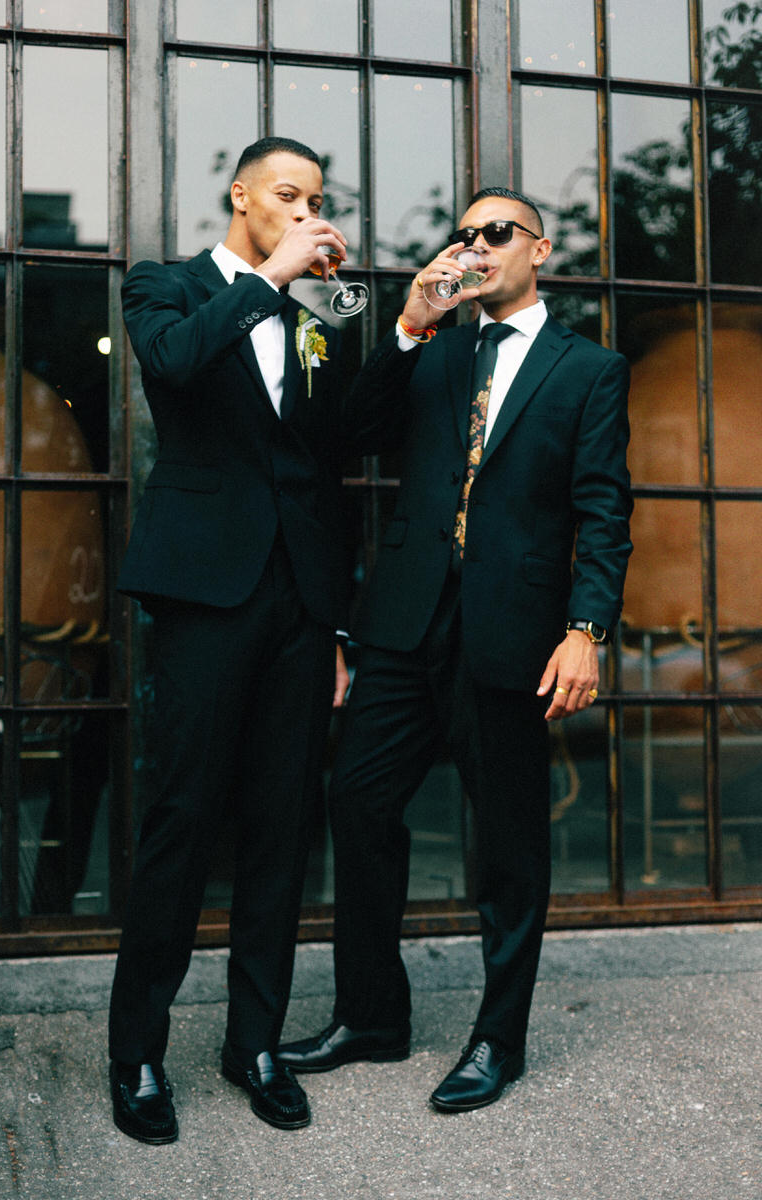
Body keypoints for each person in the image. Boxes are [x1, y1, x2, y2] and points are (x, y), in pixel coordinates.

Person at [277, 187, 633, 1113]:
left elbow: (603, 513)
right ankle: (372, 1016)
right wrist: (404, 325)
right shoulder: (436, 350)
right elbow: (352, 437)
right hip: (403, 620)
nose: (474, 246)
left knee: (509, 844)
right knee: (357, 805)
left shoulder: (588, 369)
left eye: (495, 233)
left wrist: (586, 630)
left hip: (513, 633)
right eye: (463, 233)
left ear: (539, 250)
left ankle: (496, 1039)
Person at [108, 136, 376, 1142]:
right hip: (202, 594)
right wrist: (267, 278)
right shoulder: (166, 286)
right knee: (181, 820)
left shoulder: (314, 304)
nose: (303, 209)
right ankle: (135, 1053)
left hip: (301, 602)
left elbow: (339, 444)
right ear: (240, 195)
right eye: (285, 193)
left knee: (280, 824)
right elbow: (173, 367)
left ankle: (252, 1044)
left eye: (313, 196)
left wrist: (372, 318)